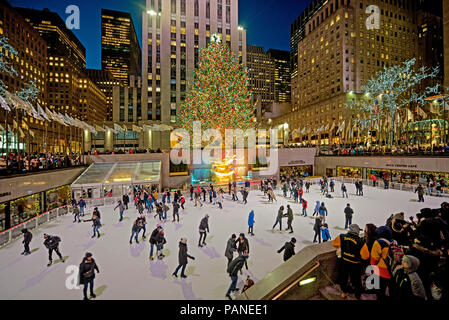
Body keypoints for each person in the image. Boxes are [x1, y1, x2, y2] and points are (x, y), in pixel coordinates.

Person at [332, 224, 364, 299]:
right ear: (357, 231)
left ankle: (344, 292)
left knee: (343, 278)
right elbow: (365, 255)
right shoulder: (360, 241)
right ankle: (357, 295)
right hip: (355, 264)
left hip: (344, 262)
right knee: (356, 280)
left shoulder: (342, 236)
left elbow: (334, 244)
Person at [369, 226, 394, 301]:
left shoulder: (378, 243)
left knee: (380, 291)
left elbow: (374, 260)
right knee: (392, 291)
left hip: (381, 272)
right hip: (393, 271)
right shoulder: (395, 242)